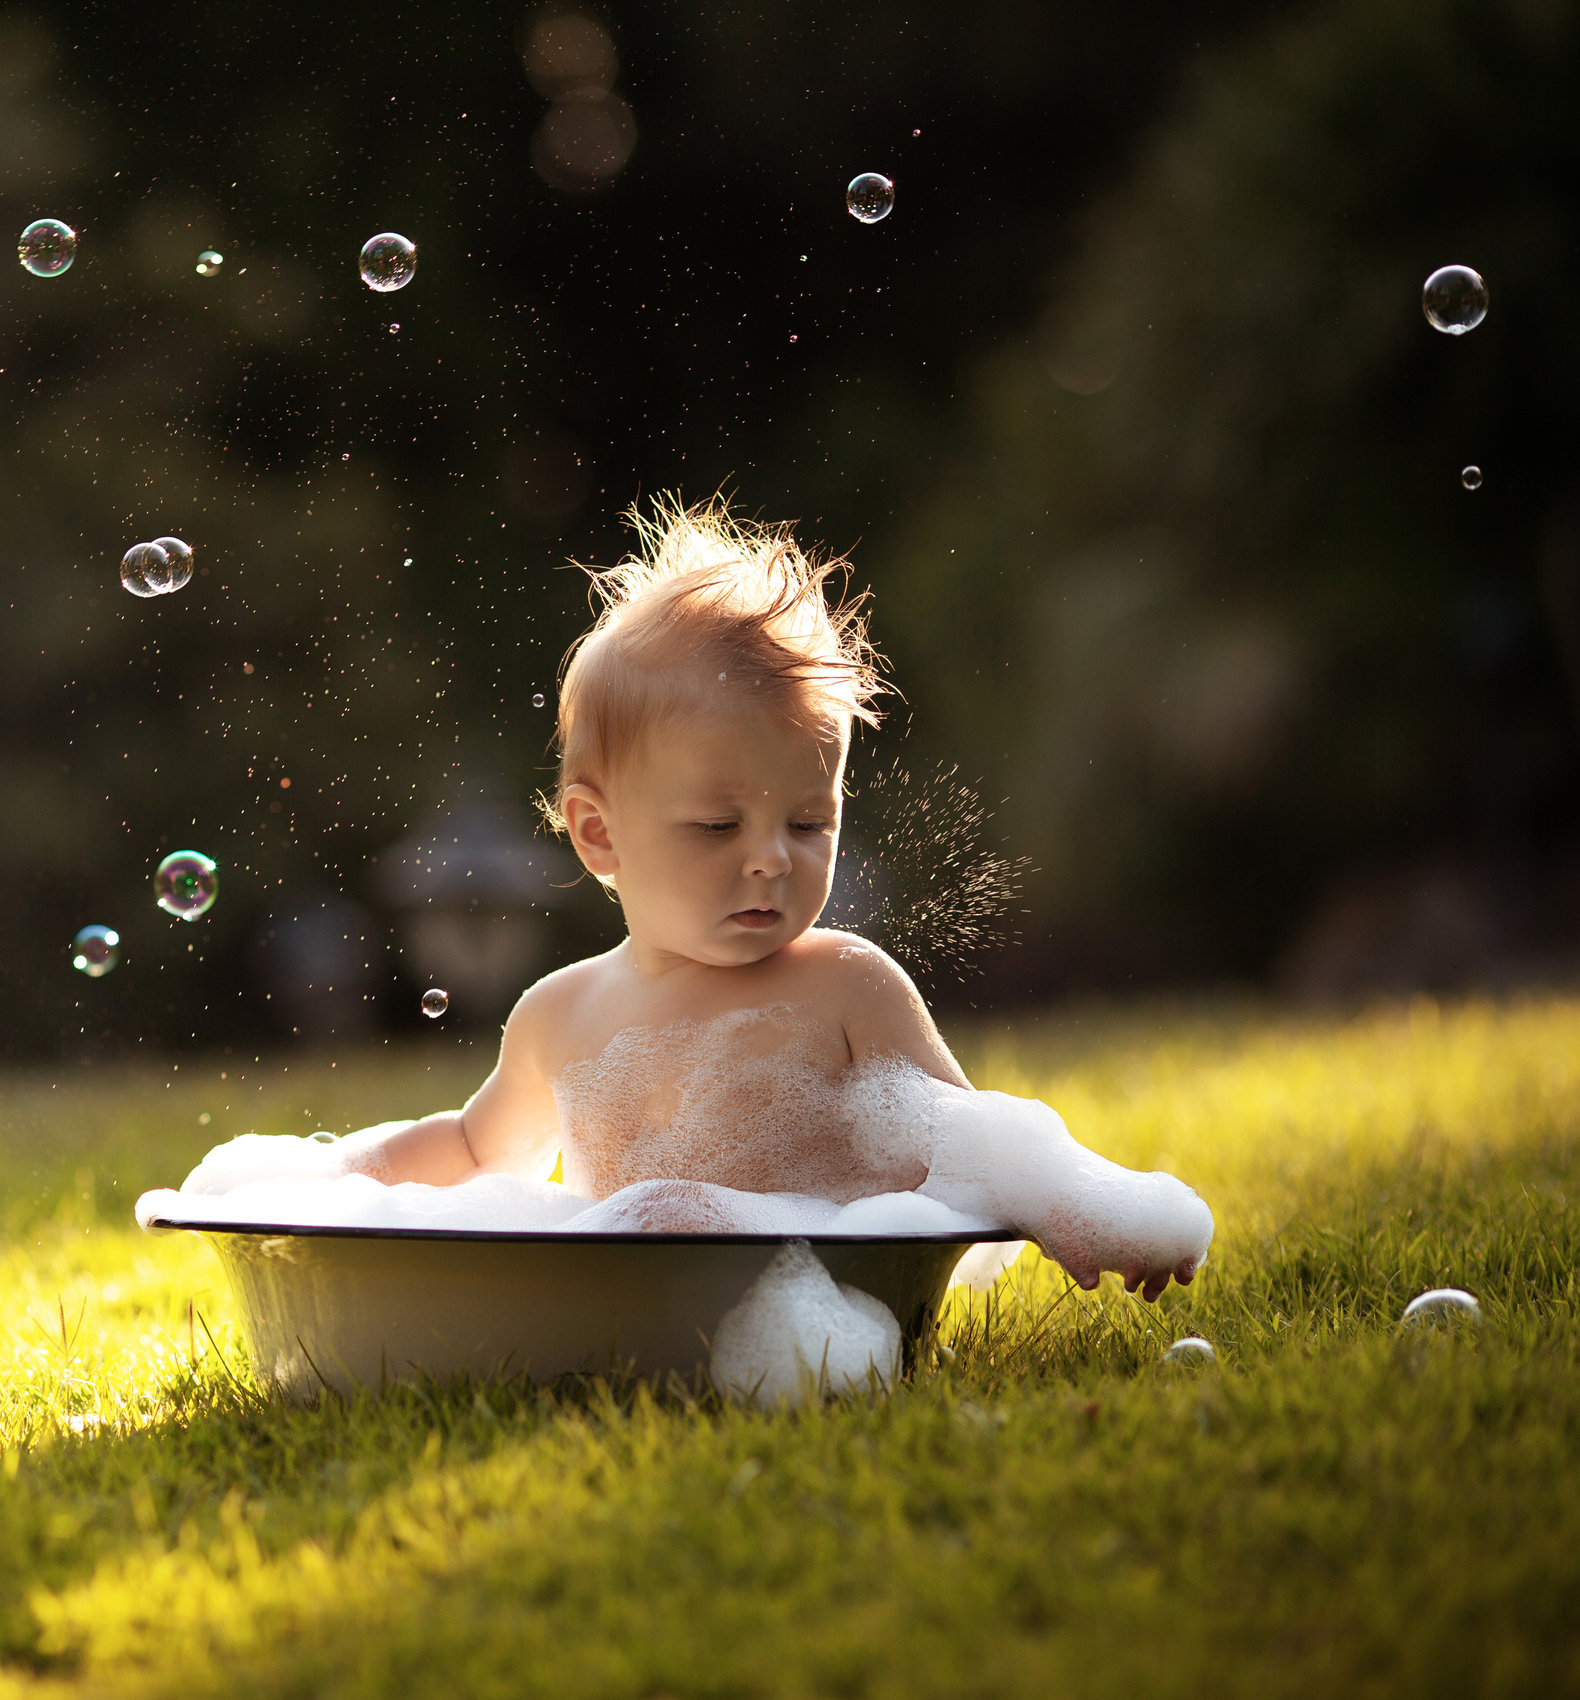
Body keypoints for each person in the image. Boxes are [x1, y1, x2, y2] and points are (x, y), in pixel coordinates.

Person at [227, 498, 1206, 1300]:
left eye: (806, 823)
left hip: (823, 1306)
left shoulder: (845, 986)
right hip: (637, 1319)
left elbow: (973, 1148)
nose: (770, 861)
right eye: (716, 827)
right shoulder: (558, 1016)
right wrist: (318, 1184)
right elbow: (477, 1147)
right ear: (597, 831)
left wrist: (1081, 1216)